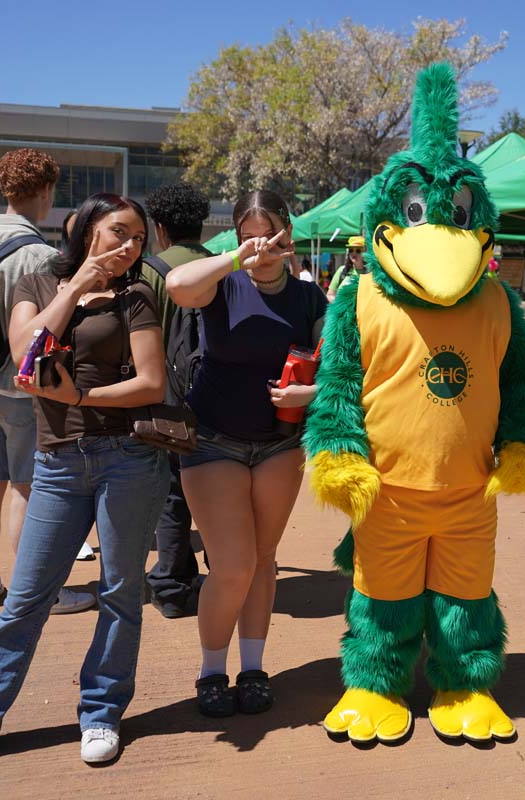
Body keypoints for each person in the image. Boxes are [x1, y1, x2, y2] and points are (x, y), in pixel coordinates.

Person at [0, 193, 171, 767]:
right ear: (88, 229)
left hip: (128, 458)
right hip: (58, 462)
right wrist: (75, 288)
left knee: (121, 593)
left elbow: (150, 383)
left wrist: (81, 395)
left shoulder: (137, 295)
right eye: (119, 232)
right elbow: (26, 351)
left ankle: (101, 712)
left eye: (139, 239)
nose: (130, 247)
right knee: (24, 599)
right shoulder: (41, 283)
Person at [165, 190, 327, 717]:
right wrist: (238, 258)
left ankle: (253, 667)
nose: (261, 244)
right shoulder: (222, 283)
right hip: (213, 439)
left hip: (280, 442)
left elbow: (341, 367)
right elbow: (175, 285)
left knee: (262, 561)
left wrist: (313, 394)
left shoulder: (309, 298)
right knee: (231, 565)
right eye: (248, 234)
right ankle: (211, 671)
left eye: (270, 233)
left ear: (289, 233)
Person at [0, 149, 95, 615]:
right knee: (26, 486)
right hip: (23, 386)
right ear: (44, 191)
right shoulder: (38, 254)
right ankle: (34, 591)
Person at [142, 181, 213, 619]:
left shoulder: (150, 270)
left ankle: (171, 584)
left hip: (166, 400)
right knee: (217, 490)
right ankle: (224, 570)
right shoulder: (224, 267)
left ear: (161, 228)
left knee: (171, 493)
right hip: (219, 399)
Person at [326, 235, 367, 301]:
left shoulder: (370, 273)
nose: (354, 253)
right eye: (351, 250)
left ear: (365, 252)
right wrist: (341, 305)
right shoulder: (342, 270)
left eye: (358, 251)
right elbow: (330, 295)